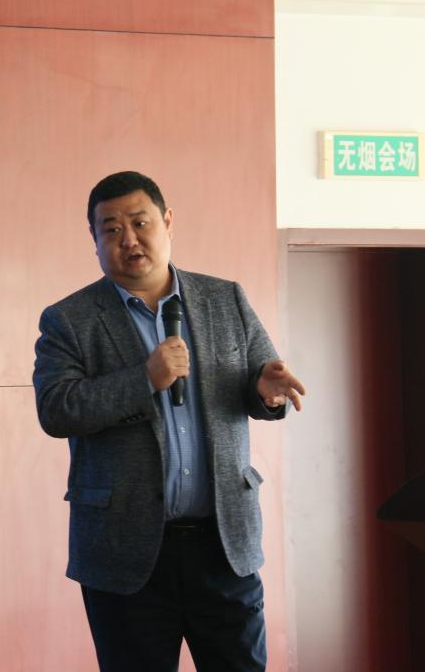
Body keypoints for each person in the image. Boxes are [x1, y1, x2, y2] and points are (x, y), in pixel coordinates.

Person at [32, 171, 305, 671]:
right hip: (126, 553)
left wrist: (266, 393)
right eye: (111, 229)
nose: (129, 239)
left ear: (168, 221)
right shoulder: (69, 319)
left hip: (223, 545)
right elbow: (56, 409)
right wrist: (144, 379)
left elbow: (261, 382)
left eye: (140, 223)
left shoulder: (226, 299)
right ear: (94, 238)